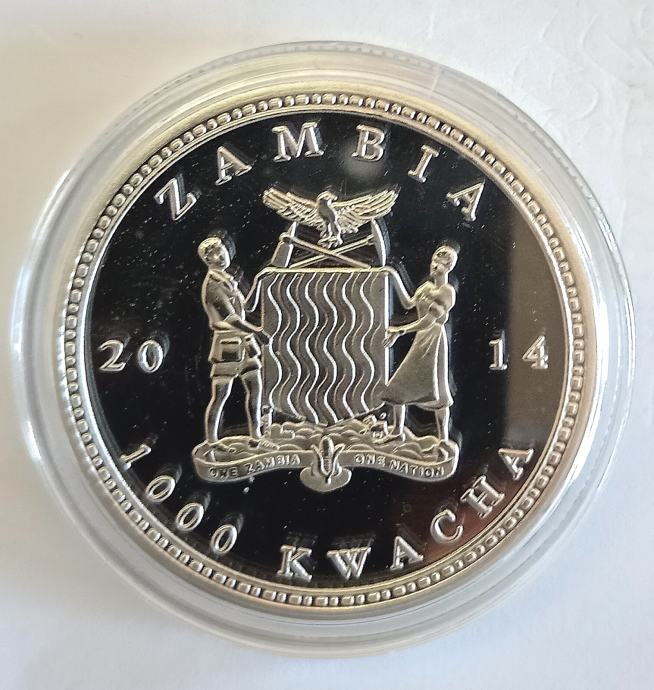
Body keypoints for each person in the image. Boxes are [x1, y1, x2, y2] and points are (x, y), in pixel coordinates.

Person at [382, 244, 458, 441]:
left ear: (448, 267)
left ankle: (443, 438)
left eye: (440, 264)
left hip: (433, 339)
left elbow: (428, 321)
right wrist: (394, 275)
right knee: (398, 386)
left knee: (440, 391)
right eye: (434, 261)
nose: (434, 266)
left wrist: (400, 330)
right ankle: (397, 431)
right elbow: (408, 303)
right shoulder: (425, 287)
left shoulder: (447, 292)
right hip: (421, 338)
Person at [198, 237, 270, 442]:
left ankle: (256, 436)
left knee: (255, 390)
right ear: (207, 259)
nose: (222, 255)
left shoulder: (227, 280)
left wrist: (259, 282)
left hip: (245, 344)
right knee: (221, 395)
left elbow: (246, 308)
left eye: (222, 250)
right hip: (227, 345)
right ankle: (212, 441)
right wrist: (257, 331)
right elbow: (230, 318)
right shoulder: (212, 284)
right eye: (215, 254)